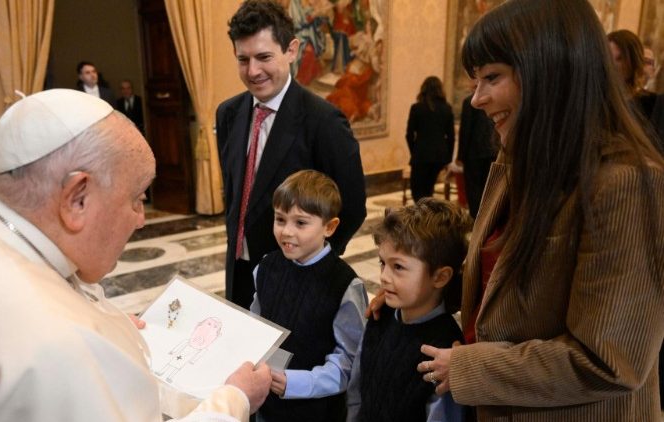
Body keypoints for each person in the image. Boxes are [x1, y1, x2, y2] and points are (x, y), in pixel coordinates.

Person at [0, 89, 271, 421]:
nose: (142, 220)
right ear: (77, 198)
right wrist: (234, 399)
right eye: (137, 198)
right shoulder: (61, 349)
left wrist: (105, 325)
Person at [401, 1, 663, 420]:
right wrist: (416, 290)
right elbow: (504, 288)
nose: (476, 99)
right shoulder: (517, 161)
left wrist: (471, 367)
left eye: (492, 77)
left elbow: (611, 361)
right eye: (475, 80)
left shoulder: (625, 181)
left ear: (552, 72)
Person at [216, 0, 367, 310]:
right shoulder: (227, 114)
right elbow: (236, 196)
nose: (253, 71)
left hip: (296, 278)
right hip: (239, 270)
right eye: (243, 59)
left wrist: (313, 264)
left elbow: (352, 207)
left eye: (263, 57)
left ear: (292, 50)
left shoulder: (324, 122)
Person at [249, 169, 367, 422]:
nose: (287, 232)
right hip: (266, 403)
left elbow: (350, 362)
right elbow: (255, 327)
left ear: (330, 227)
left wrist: (297, 383)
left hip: (316, 410)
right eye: (280, 220)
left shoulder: (343, 284)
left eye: (300, 223)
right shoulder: (266, 267)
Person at [347, 199, 470, 422]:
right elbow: (356, 391)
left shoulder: (442, 352)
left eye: (398, 267)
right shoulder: (379, 316)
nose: (384, 277)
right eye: (382, 263)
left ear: (440, 277)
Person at [405, 76, 456, 201]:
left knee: (417, 192)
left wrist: (414, 151)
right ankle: (429, 217)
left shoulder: (417, 108)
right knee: (428, 190)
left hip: (421, 155)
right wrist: (447, 158)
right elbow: (451, 136)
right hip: (439, 156)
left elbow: (409, 134)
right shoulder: (447, 108)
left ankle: (422, 218)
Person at [456, 92, 496, 218]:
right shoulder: (495, 99)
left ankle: (476, 219)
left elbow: (465, 130)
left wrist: (461, 155)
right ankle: (487, 219)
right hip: (492, 151)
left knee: (473, 189)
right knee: (489, 188)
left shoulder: (470, 102)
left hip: (473, 153)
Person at [608, 30, 657, 119]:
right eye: (608, 57)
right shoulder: (599, 99)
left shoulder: (652, 104)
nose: (612, 64)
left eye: (620, 58)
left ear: (633, 61)